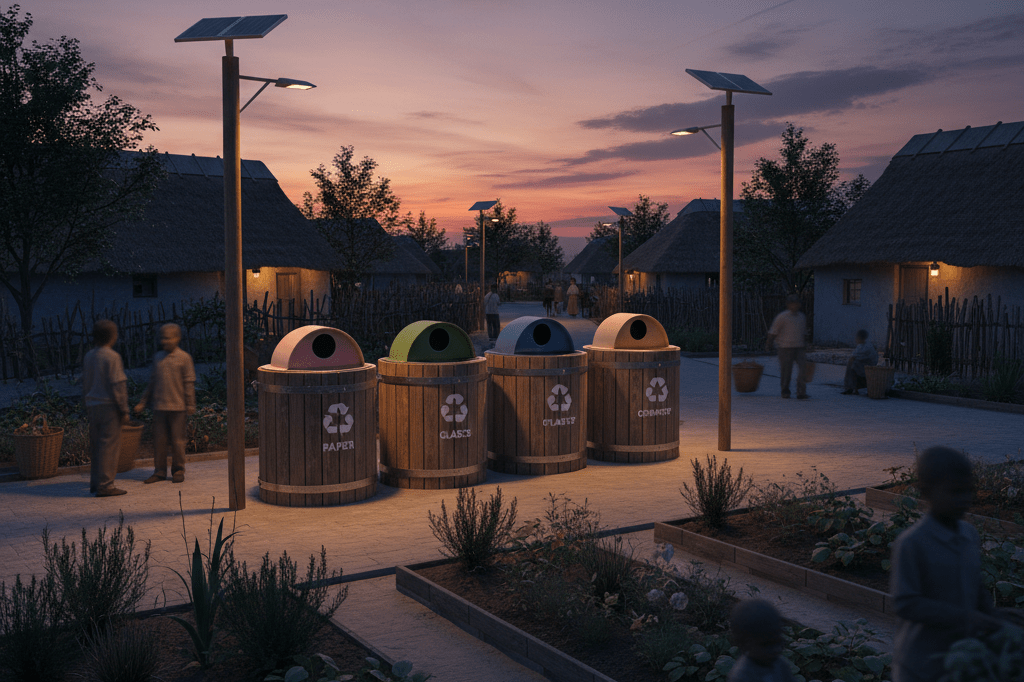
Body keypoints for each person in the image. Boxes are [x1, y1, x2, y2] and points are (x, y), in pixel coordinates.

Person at [890, 446, 1022, 682]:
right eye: (954, 492)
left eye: (968, 491)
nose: (964, 499)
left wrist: (995, 615)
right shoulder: (912, 543)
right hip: (919, 666)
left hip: (960, 661)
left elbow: (975, 585)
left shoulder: (969, 535)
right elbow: (906, 603)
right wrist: (967, 617)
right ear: (926, 491)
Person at [135, 323, 196, 484]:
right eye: (162, 338)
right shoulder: (158, 358)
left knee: (178, 441)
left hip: (178, 407)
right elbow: (152, 382)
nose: (164, 341)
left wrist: (190, 403)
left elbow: (189, 382)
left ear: (177, 338)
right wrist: (143, 402)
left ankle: (178, 469)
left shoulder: (184, 358)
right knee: (159, 441)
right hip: (160, 407)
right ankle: (159, 471)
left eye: (168, 338)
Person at [82, 319, 129, 497]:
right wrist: (124, 409)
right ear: (112, 336)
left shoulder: (89, 356)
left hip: (92, 405)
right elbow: (117, 385)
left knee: (96, 446)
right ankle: (106, 485)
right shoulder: (112, 357)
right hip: (109, 406)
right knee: (109, 446)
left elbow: (86, 382)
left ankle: (95, 482)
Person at [726, 599, 794, 682]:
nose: (776, 649)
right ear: (744, 644)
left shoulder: (779, 665)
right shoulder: (742, 677)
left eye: (778, 642)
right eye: (766, 644)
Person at [766, 294, 809, 399]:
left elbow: (803, 332)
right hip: (785, 347)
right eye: (792, 304)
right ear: (788, 305)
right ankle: (785, 390)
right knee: (786, 371)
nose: (795, 306)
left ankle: (801, 391)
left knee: (803, 369)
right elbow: (773, 331)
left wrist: (806, 344)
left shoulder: (801, 317)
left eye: (796, 304)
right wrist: (769, 343)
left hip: (799, 347)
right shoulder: (782, 317)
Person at [841, 329, 877, 395]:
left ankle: (849, 387)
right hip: (864, 366)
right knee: (852, 364)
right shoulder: (862, 346)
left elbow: (856, 357)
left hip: (867, 368)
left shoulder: (867, 346)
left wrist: (852, 360)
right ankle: (850, 387)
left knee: (852, 365)